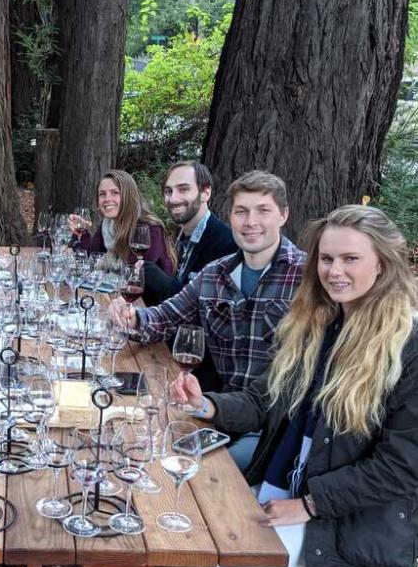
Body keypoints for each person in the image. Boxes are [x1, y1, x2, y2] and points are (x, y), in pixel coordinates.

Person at [169, 204, 418, 567]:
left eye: (350, 259)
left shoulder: (407, 344)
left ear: (383, 264)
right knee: (184, 527)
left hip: (353, 526)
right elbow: (263, 401)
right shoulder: (315, 320)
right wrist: (207, 404)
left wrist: (308, 504)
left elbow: (403, 468)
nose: (334, 271)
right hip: (287, 489)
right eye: (326, 258)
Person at [111, 170, 306, 469]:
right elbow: (166, 316)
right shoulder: (215, 273)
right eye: (241, 211)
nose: (250, 221)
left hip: (275, 429)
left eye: (263, 211)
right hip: (220, 411)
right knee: (136, 445)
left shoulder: (308, 278)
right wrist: (133, 317)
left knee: (189, 470)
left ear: (283, 215)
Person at [67, 169, 177, 306]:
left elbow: (136, 276)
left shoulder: (149, 229)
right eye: (102, 194)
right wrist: (82, 233)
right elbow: (90, 258)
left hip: (152, 306)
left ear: (128, 196)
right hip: (119, 299)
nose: (107, 199)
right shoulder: (108, 225)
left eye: (115, 193)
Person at [162, 161, 236, 292]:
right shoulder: (178, 238)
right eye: (168, 191)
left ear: (205, 193)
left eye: (183, 189)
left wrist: (162, 283)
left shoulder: (227, 244)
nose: (173, 199)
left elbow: (212, 301)